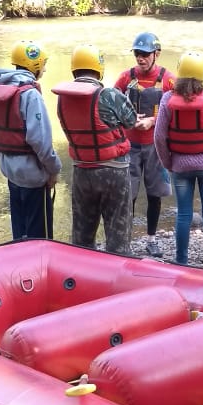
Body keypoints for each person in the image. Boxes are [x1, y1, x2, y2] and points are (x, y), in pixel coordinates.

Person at [51, 45, 137, 255]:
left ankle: (81, 270)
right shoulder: (108, 94)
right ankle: (117, 270)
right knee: (118, 237)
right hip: (113, 171)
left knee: (82, 237)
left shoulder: (62, 97)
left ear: (74, 69)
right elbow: (131, 121)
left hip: (82, 172)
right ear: (99, 68)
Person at [0, 41, 62, 240]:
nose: (45, 69)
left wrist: (5, 157)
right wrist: (54, 170)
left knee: (19, 232)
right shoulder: (31, 95)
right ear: (35, 65)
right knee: (39, 238)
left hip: (10, 172)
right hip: (33, 176)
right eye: (43, 65)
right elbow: (41, 141)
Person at [154, 51, 203, 270]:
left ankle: (181, 261)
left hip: (180, 166)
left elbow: (158, 137)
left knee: (184, 215)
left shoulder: (167, 99)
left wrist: (168, 163)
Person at [114, 31, 175, 256]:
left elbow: (175, 113)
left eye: (145, 54)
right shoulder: (125, 78)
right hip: (129, 145)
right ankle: (125, 240)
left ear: (157, 54)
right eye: (137, 54)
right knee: (127, 194)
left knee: (154, 194)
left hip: (154, 146)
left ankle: (152, 239)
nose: (140, 58)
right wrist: (128, 119)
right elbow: (110, 105)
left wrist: (153, 121)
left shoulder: (169, 80)